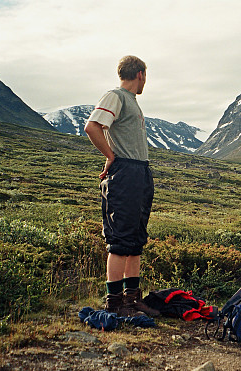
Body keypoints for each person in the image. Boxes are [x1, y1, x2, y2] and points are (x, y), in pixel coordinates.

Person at [84, 55, 159, 317]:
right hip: (125, 172)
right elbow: (92, 127)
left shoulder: (131, 103)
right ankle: (114, 303)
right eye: (145, 76)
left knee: (136, 238)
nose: (145, 81)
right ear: (140, 74)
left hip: (139, 172)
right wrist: (110, 156)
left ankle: (132, 299)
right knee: (120, 240)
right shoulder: (115, 96)